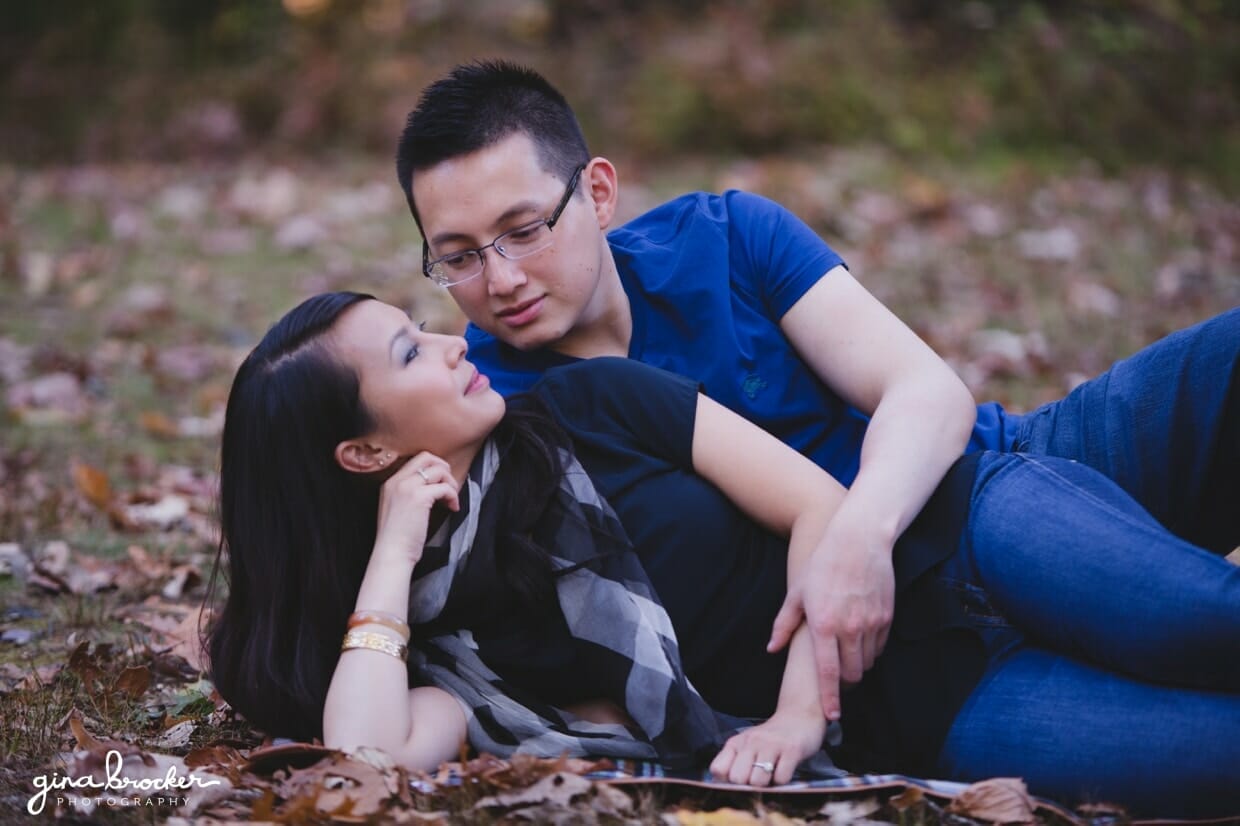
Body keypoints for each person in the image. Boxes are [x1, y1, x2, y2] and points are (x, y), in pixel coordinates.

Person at [393, 58, 1240, 741]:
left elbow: (925, 392)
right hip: (902, 675)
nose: (500, 280)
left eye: (524, 231)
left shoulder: (724, 237)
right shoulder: (484, 414)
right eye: (458, 256)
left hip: (990, 479)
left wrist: (860, 536)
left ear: (599, 194)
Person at [205, 292, 1240, 817]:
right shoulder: (455, 656)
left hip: (965, 536)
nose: (449, 343)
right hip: (945, 706)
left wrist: (796, 715)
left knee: (1209, 624)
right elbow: (367, 763)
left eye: (423, 327)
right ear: (364, 452)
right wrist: (393, 554)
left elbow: (817, 505)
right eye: (408, 353)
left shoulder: (588, 403)